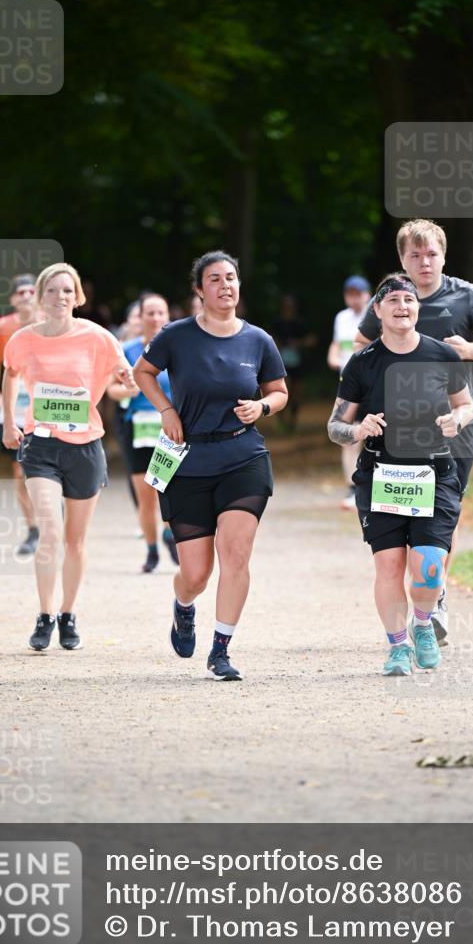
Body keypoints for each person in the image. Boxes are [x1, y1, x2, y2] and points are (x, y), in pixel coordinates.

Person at [354, 219, 473, 643]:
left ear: (444, 256)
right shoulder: (391, 297)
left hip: (456, 421)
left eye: (431, 254)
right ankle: (417, 602)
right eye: (415, 255)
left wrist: (469, 349)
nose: (424, 262)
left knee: (446, 508)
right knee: (404, 508)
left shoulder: (467, 296)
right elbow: (358, 346)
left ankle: (434, 594)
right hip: (401, 428)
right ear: (402, 259)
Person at [133, 251, 288, 681]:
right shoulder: (176, 335)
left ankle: (221, 649)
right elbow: (142, 372)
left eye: (231, 278)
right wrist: (166, 410)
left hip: (244, 457)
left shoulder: (258, 340)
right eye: (215, 279)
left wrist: (262, 406)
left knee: (235, 554)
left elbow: (279, 392)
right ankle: (184, 606)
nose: (225, 285)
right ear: (199, 290)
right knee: (196, 573)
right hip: (188, 462)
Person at [328, 273, 473, 676]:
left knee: (428, 568)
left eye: (408, 300)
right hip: (381, 473)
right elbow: (335, 427)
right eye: (392, 300)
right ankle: (396, 648)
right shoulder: (362, 362)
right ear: (377, 311)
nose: (402, 306)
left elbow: (466, 406)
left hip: (434, 471)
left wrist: (456, 420)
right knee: (389, 566)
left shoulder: (442, 355)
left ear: (417, 308)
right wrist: (357, 430)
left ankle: (423, 623)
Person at [2, 262, 135, 652]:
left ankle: (68, 614)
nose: (60, 297)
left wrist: (126, 381)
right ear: (40, 297)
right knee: (51, 531)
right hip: (41, 443)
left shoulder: (98, 337)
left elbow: (122, 376)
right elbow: (11, 375)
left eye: (67, 290)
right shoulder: (23, 339)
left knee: (75, 541)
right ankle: (44, 616)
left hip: (86, 446)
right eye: (52, 290)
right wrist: (11, 423)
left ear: (77, 296)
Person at [107, 292, 179, 572]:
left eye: (161, 312)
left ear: (168, 316)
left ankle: (169, 533)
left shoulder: (177, 349)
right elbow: (110, 390)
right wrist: (127, 388)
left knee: (167, 487)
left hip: (168, 427)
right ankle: (151, 551)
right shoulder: (126, 350)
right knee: (145, 492)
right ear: (140, 317)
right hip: (135, 427)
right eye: (150, 312)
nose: (156, 318)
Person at [0, 273, 39, 555]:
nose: (26, 296)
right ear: (13, 299)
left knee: (55, 466)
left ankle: (55, 513)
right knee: (20, 471)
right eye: (21, 292)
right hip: (14, 408)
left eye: (31, 291)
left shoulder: (52, 324)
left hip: (48, 408)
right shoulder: (2, 327)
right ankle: (33, 530)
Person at [328, 275, 372, 510]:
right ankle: (353, 486)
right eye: (350, 294)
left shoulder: (374, 315)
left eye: (359, 293)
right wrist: (333, 356)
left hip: (370, 384)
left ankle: (371, 484)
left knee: (371, 434)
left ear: (367, 294)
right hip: (347, 384)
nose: (354, 298)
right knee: (347, 434)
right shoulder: (342, 318)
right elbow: (338, 344)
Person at [270, 293, 316, 431]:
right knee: (284, 390)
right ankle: (281, 420)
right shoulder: (277, 322)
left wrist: (299, 343)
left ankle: (292, 422)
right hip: (281, 362)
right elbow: (268, 337)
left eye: (291, 306)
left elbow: (312, 339)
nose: (288, 308)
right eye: (286, 305)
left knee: (296, 393)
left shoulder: (300, 323)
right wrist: (278, 345)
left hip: (298, 362)